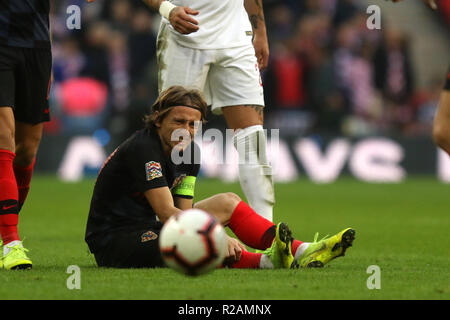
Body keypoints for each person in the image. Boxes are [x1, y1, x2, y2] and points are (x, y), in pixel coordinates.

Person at [84, 86, 355, 269]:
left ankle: (301, 250)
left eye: (193, 124)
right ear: (158, 119)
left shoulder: (190, 155)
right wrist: (214, 234)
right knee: (195, 239)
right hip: (115, 240)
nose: (186, 131)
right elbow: (168, 213)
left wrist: (204, 229)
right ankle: (266, 263)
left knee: (227, 201)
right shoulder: (143, 148)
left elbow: (184, 211)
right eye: (178, 121)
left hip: (150, 226)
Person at [138, 0, 275, 222]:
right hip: (183, 37)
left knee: (253, 139)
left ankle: (268, 238)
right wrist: (168, 9)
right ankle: (162, 226)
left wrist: (260, 33)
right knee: (175, 137)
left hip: (237, 39)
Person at [0, 0, 54, 270]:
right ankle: (11, 242)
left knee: (27, 149)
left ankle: (4, 227)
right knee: (3, 137)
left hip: (37, 46)